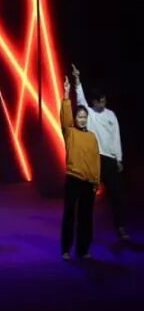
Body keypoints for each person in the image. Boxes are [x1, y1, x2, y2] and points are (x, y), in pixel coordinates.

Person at [72, 64, 129, 241]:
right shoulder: (89, 114)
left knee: (116, 195)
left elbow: (116, 136)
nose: (103, 104)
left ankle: (120, 227)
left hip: (110, 161)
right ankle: (84, 230)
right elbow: (80, 100)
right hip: (95, 160)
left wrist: (119, 159)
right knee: (88, 197)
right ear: (95, 102)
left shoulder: (111, 115)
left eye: (104, 100)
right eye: (100, 101)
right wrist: (77, 80)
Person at [60, 76, 101, 260]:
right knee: (69, 214)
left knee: (86, 217)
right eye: (80, 117)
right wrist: (66, 94)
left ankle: (83, 250)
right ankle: (66, 249)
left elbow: (95, 160)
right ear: (75, 118)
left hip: (88, 182)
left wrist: (96, 181)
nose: (82, 120)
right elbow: (65, 117)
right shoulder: (70, 132)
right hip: (73, 179)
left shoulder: (92, 136)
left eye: (84, 117)